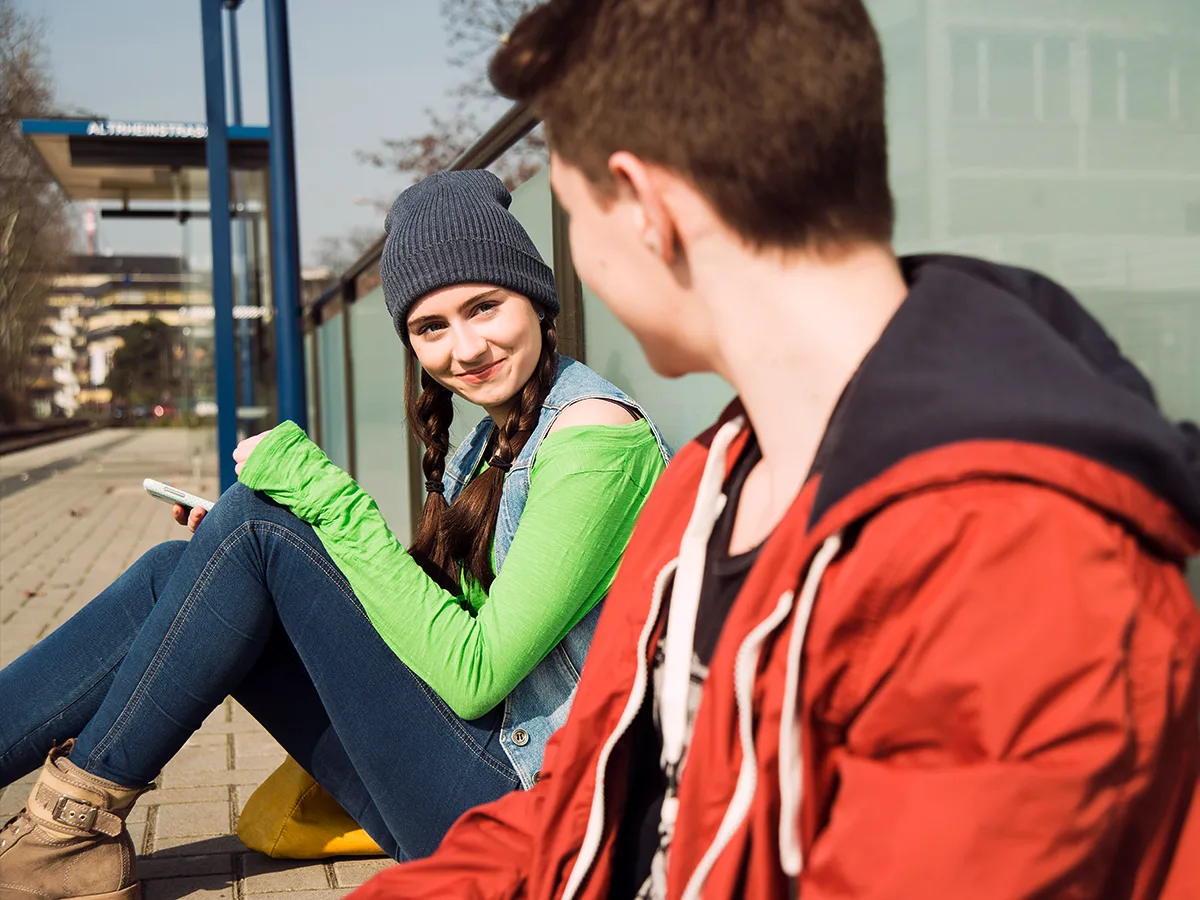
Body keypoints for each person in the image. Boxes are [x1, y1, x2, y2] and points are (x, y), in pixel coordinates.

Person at [348, 2, 1200, 898]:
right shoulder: (705, 487)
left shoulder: (1024, 566)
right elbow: (582, 809)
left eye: (572, 216)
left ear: (646, 208)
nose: (579, 267)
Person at [0, 169, 670, 900]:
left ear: (537, 301)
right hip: (469, 779)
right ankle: (67, 836)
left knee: (256, 531)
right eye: (431, 327)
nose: (466, 347)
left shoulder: (594, 441)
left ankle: (66, 836)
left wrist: (325, 503)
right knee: (182, 570)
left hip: (524, 816)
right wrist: (242, 563)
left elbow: (475, 676)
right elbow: (434, 617)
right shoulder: (501, 437)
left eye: (485, 307)